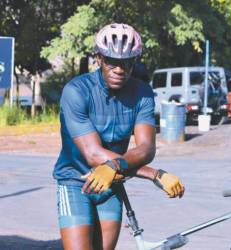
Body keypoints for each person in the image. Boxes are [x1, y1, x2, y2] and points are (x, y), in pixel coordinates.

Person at [53, 23, 185, 250]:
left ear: (135, 62)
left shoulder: (142, 93)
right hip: (75, 182)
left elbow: (146, 149)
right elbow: (93, 155)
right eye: (111, 61)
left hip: (112, 184)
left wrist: (114, 166)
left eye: (127, 63)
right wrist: (153, 174)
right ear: (99, 59)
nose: (119, 69)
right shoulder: (76, 91)